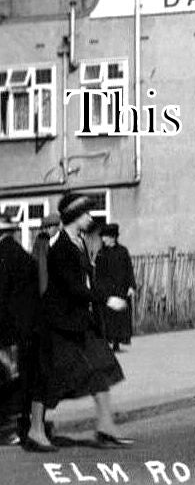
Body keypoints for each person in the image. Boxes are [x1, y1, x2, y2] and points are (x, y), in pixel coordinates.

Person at [24, 194, 133, 453]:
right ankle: (35, 431)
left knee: (102, 365)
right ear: (74, 216)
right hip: (58, 324)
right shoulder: (61, 248)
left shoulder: (80, 241)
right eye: (85, 214)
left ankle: (106, 426)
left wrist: (105, 296)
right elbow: (73, 288)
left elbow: (87, 281)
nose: (90, 218)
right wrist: (107, 299)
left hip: (79, 322)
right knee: (49, 376)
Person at [0, 212, 40, 446]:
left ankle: (10, 430)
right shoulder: (23, 255)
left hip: (7, 330)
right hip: (25, 329)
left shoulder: (3, 257)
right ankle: (21, 425)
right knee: (18, 378)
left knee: (8, 378)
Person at [93, 224, 136, 352]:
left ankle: (117, 342)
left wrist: (131, 286)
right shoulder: (101, 253)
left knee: (120, 317)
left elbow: (129, 269)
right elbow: (98, 274)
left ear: (113, 237)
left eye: (105, 236)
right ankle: (108, 341)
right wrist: (99, 289)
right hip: (107, 291)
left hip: (121, 289)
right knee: (107, 317)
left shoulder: (123, 251)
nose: (103, 239)